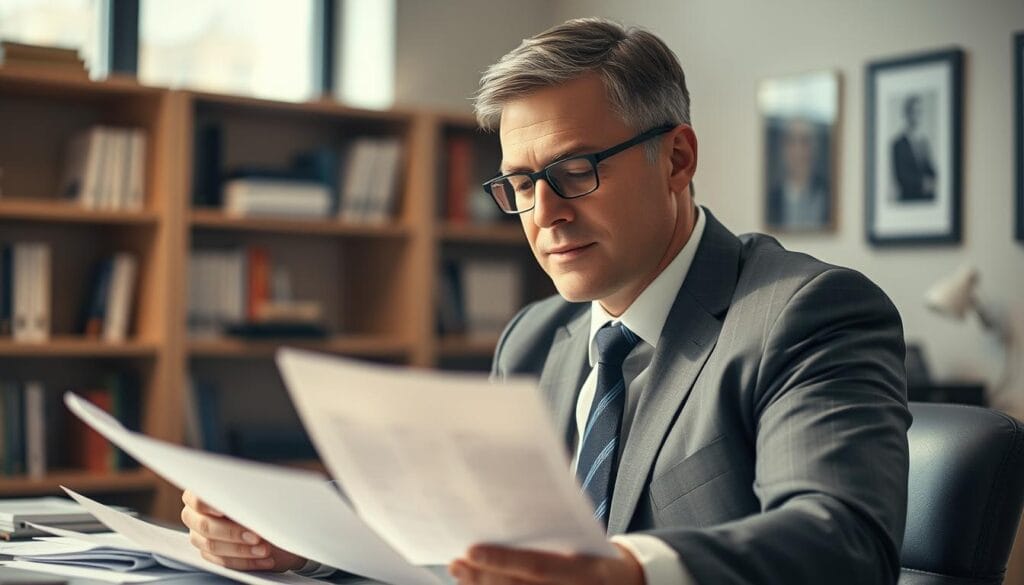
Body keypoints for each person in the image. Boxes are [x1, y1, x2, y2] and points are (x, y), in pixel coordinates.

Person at [180, 17, 910, 585]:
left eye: (576, 170)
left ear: (678, 158)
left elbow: (840, 538)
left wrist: (628, 570)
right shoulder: (535, 338)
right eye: (521, 184)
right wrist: (291, 536)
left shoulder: (808, 312)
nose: (544, 213)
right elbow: (449, 525)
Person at [766, 117, 830, 230]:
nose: (798, 151)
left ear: (815, 148)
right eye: (791, 142)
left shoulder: (829, 194)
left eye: (805, 142)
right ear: (783, 150)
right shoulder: (771, 198)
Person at [892, 94, 937, 202]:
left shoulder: (924, 142)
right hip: (908, 200)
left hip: (927, 199)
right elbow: (901, 176)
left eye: (919, 112)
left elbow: (931, 169)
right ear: (907, 114)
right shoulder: (898, 144)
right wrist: (922, 182)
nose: (917, 116)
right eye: (914, 112)